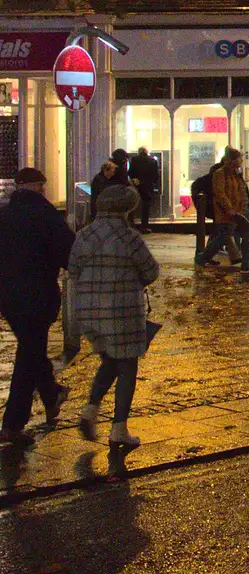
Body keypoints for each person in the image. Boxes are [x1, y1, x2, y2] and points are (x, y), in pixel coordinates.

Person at [71, 183, 160, 448]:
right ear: (127, 208)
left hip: (89, 308)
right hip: (122, 310)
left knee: (109, 359)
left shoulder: (85, 234)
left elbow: (73, 268)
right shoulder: (128, 237)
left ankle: (90, 409)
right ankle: (119, 427)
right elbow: (151, 270)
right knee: (127, 365)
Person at [0, 168, 75, 445]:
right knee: (27, 355)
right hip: (37, 296)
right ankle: (13, 423)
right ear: (39, 187)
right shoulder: (47, 216)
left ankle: (51, 393)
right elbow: (68, 254)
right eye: (43, 186)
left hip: (7, 297)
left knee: (31, 348)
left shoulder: (4, 215)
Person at [197, 148, 249, 271]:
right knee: (221, 239)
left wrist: (246, 207)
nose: (241, 161)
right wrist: (229, 209)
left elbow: (242, 192)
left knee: (248, 236)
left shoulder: (237, 174)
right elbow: (220, 194)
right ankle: (202, 258)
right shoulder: (220, 174)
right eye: (239, 158)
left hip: (241, 211)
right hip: (227, 213)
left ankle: (248, 265)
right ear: (233, 160)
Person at [128, 147, 159, 230]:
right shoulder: (153, 161)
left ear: (138, 152)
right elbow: (155, 175)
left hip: (136, 185)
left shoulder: (134, 160)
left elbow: (130, 173)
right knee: (146, 207)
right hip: (148, 186)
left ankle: (131, 225)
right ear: (147, 152)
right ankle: (144, 226)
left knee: (132, 205)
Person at [190, 164, 215, 260]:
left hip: (210, 208)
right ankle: (204, 257)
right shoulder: (212, 180)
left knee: (220, 232)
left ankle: (205, 255)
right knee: (221, 233)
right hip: (213, 208)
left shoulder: (202, 181)